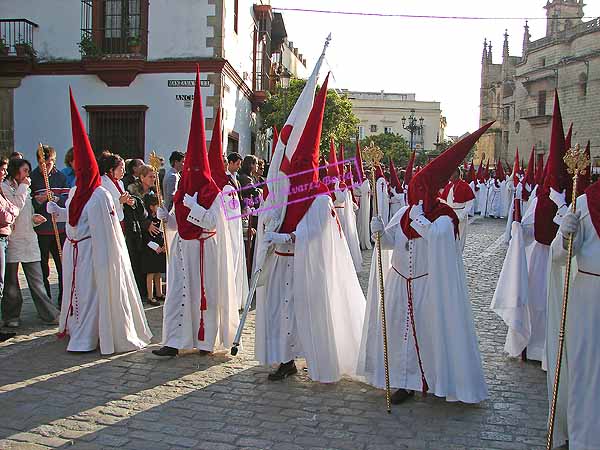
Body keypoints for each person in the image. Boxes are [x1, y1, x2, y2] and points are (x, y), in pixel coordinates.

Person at [358, 123, 493, 405]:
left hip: (426, 285)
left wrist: (419, 218)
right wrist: (379, 230)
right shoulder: (408, 211)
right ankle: (403, 381)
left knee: (427, 335)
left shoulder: (443, 216)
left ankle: (433, 379)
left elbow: (438, 239)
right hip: (399, 282)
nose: (413, 194)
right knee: (400, 335)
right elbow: (393, 240)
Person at [254, 73, 365, 382]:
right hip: (281, 263)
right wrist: (268, 223)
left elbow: (315, 231)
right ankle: (285, 359)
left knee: (307, 313)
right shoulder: (283, 191)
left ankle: (315, 359)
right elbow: (268, 213)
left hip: (305, 265)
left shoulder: (318, 198)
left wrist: (288, 236)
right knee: (280, 312)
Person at [47, 88, 152, 354]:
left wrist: (106, 264)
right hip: (74, 250)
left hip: (93, 253)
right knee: (77, 292)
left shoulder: (100, 195)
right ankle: (75, 328)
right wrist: (56, 211)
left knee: (91, 294)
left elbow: (107, 231)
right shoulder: (74, 191)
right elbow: (73, 218)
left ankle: (89, 335)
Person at [153, 68, 238, 358]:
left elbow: (213, 221)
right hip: (183, 248)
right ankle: (175, 341)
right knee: (178, 295)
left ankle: (204, 341)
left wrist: (194, 206)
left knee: (206, 296)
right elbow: (179, 221)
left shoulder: (213, 192)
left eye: (194, 170)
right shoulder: (183, 189)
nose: (190, 173)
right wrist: (169, 218)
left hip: (205, 248)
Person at [491, 91, 569, 365]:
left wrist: (564, 210)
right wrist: (516, 229)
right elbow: (528, 227)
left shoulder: (572, 199)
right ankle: (533, 346)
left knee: (558, 305)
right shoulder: (541, 198)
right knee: (537, 303)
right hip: (539, 257)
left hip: (562, 260)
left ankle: (552, 351)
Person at [546, 177, 600, 449]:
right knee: (586, 368)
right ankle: (585, 438)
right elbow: (558, 254)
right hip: (590, 297)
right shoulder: (585, 202)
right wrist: (567, 236)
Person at [1, 158, 59, 327]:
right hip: (13, 239)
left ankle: (49, 313)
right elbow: (15, 208)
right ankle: (11, 316)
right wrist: (24, 186)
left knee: (37, 281)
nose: (27, 174)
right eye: (24, 170)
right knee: (11, 283)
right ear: (16, 171)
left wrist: (34, 219)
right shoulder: (5, 187)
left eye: (28, 170)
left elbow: (26, 211)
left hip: (29, 237)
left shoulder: (24, 187)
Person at [30, 145, 69, 306]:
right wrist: (38, 200)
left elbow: (67, 199)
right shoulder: (33, 177)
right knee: (42, 268)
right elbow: (29, 204)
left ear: (53, 161)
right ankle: (46, 303)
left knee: (63, 267)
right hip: (41, 230)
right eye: (41, 163)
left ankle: (63, 300)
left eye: (48, 163)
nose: (44, 167)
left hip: (59, 229)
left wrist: (58, 201)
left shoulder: (60, 177)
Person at [0, 157, 19, 341]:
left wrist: (11, 213)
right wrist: (12, 214)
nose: (5, 173)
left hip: (4, 238)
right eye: (2, 169)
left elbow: (12, 209)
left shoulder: (2, 190)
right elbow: (5, 216)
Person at [440, 167, 476, 252]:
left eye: (451, 173)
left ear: (456, 173)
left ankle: (458, 254)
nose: (449, 175)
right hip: (449, 214)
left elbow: (470, 202)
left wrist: (463, 214)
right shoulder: (448, 186)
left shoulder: (465, 185)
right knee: (449, 236)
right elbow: (443, 200)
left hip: (460, 213)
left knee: (460, 236)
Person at [98, 151, 135, 230]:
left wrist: (128, 201)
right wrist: (119, 201)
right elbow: (102, 202)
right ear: (111, 170)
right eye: (121, 169)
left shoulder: (120, 182)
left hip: (119, 218)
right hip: (107, 221)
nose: (124, 172)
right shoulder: (102, 182)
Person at [141, 193, 166, 304]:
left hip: (160, 248)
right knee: (150, 273)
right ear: (151, 207)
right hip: (150, 250)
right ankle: (150, 296)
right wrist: (155, 247)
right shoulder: (148, 220)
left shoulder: (159, 218)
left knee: (158, 272)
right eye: (157, 205)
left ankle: (159, 293)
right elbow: (145, 237)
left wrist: (163, 246)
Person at [353, 140, 372, 250]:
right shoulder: (354, 179)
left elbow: (364, 192)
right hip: (356, 204)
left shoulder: (365, 181)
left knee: (361, 223)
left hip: (362, 204)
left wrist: (357, 188)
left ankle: (362, 240)